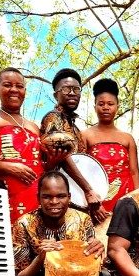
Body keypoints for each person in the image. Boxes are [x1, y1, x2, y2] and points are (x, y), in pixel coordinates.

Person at [40, 68, 107, 222]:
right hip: (57, 203)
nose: (72, 93)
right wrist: (89, 190)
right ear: (56, 94)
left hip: (75, 203)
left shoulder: (76, 129)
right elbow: (63, 156)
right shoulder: (53, 118)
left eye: (76, 89)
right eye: (66, 88)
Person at [0, 67, 45, 221]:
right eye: (7, 85)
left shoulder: (34, 127)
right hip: (1, 193)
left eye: (19, 86)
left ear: (25, 91)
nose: (14, 90)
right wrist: (8, 167)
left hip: (35, 194)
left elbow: (42, 164)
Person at [82, 78, 139, 212]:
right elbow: (82, 172)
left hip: (126, 199)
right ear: (94, 106)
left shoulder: (127, 138)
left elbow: (134, 172)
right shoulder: (85, 136)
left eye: (110, 104)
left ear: (117, 107)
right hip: (97, 200)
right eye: (101, 104)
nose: (106, 107)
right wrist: (90, 203)